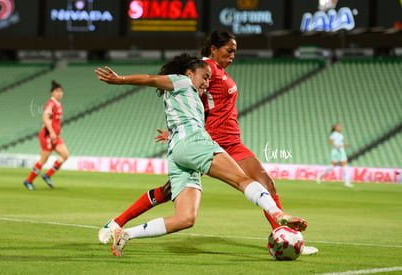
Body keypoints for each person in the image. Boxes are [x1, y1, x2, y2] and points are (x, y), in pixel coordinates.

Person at [98, 31, 318, 256]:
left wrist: (175, 129)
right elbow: (163, 82)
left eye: (235, 51)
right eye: (228, 50)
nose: (232, 56)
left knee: (262, 185)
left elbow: (189, 100)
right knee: (236, 182)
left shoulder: (211, 74)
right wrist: (121, 80)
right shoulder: (203, 68)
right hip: (205, 140)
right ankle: (115, 223)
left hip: (219, 140)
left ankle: (284, 236)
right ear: (213, 49)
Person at [23, 80, 69, 190]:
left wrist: (58, 129)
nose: (60, 93)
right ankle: (28, 181)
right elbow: (45, 118)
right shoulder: (51, 103)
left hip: (55, 136)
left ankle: (47, 175)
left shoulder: (59, 104)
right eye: (57, 91)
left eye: (61, 91)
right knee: (44, 160)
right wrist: (52, 132)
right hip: (47, 135)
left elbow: (55, 120)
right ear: (52, 93)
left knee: (65, 155)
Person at [317, 123, 353, 188]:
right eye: (338, 126)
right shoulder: (333, 134)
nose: (340, 127)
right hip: (336, 151)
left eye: (340, 126)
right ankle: (321, 175)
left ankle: (347, 182)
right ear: (335, 128)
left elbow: (340, 143)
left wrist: (345, 145)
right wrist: (336, 146)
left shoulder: (341, 135)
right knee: (332, 166)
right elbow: (330, 142)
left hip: (342, 151)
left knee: (345, 165)